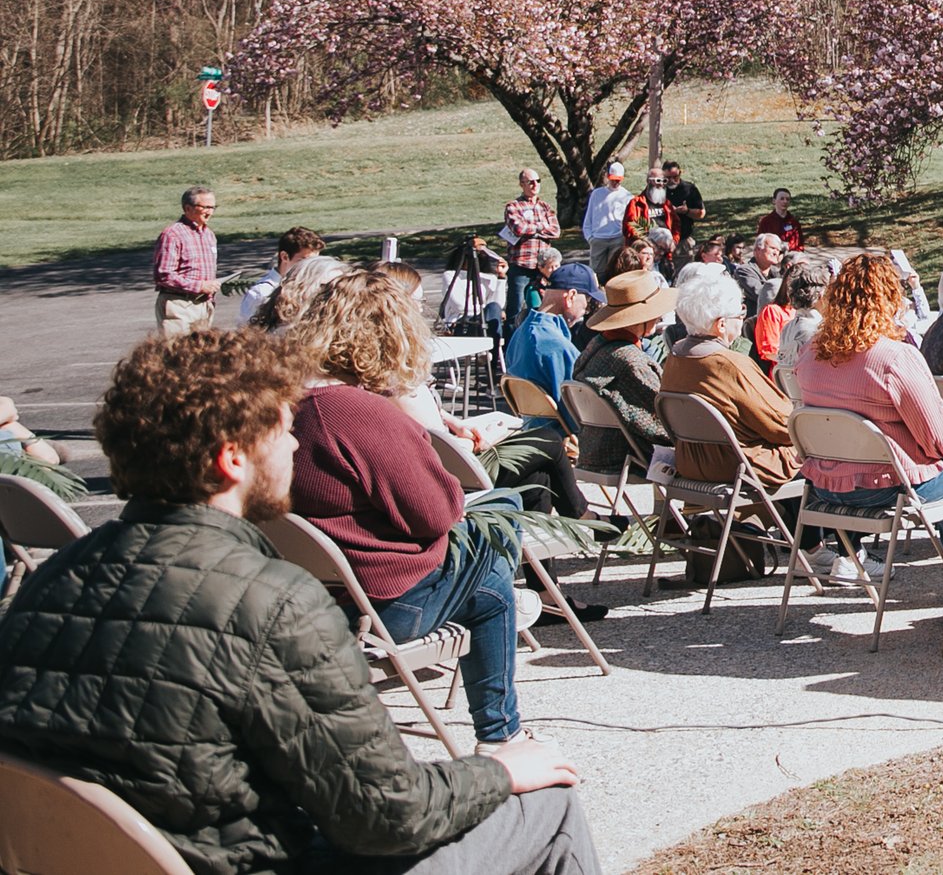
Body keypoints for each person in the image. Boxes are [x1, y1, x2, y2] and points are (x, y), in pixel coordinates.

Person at [0, 329, 599, 875]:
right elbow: (387, 817)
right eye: (283, 428)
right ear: (232, 458)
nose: (293, 444)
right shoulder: (272, 603)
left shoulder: (52, 583)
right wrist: (499, 771)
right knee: (550, 805)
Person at [286, 271, 533, 748]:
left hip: (310, 597)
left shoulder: (285, 404)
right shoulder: (358, 412)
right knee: (493, 558)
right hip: (382, 605)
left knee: (490, 555)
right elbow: (437, 513)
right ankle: (503, 734)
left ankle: (505, 728)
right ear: (392, 334)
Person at [789, 253, 943, 584]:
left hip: (825, 485)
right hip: (886, 487)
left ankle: (849, 554)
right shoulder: (893, 358)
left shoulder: (810, 353)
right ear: (890, 299)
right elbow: (937, 442)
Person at [659, 263, 800, 491]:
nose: (743, 318)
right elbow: (784, 425)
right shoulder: (730, 363)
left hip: (690, 462)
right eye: (740, 313)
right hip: (739, 465)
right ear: (721, 324)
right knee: (821, 457)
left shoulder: (674, 357)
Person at [573, 270, 674, 481]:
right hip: (625, 456)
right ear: (641, 317)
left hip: (593, 448)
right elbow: (664, 420)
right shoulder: (631, 361)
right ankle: (679, 513)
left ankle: (670, 513)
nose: (659, 316)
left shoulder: (595, 347)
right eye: (655, 312)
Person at [508, 263, 597, 421]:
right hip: (559, 436)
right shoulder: (555, 346)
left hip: (531, 429)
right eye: (587, 303)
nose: (585, 310)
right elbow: (580, 409)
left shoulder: (520, 332)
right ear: (570, 297)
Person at [152, 185, 219, 334]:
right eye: (205, 207)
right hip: (179, 305)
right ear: (187, 208)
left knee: (202, 355)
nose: (210, 212)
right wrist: (198, 286)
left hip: (204, 305)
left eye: (213, 207)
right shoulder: (173, 234)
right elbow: (163, 275)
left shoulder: (209, 235)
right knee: (179, 354)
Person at [502, 168, 561, 320]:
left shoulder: (545, 207)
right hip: (521, 266)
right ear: (522, 184)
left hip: (543, 268)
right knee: (515, 310)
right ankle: (511, 341)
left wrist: (532, 229)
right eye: (530, 182)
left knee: (545, 307)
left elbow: (555, 231)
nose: (535, 185)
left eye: (538, 181)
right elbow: (518, 228)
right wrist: (542, 227)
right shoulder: (513, 207)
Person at [238, 226, 326, 326]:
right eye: (304, 261)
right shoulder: (261, 293)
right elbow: (247, 334)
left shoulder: (310, 288)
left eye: (314, 262)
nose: (310, 268)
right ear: (284, 256)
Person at [753, 255, 826, 376]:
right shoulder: (773, 311)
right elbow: (768, 351)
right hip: (785, 375)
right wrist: (791, 362)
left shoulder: (803, 314)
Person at [582, 161, 632, 279]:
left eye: (618, 180)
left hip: (617, 238)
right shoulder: (597, 194)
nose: (615, 182)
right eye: (613, 179)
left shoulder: (627, 196)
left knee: (615, 271)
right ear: (608, 177)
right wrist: (590, 237)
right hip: (598, 239)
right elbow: (589, 217)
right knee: (596, 273)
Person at [661, 160, 705, 231]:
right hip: (660, 236)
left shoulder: (689, 189)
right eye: (668, 178)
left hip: (683, 235)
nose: (672, 180)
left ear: (680, 173)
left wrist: (687, 211)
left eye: (675, 177)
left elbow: (701, 213)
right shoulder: (656, 188)